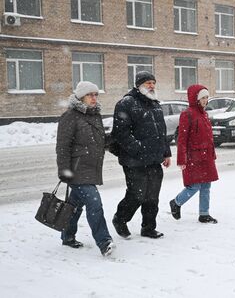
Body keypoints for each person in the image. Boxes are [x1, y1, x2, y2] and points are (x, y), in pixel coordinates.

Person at [56, 81, 114, 256]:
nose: (94, 98)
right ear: (81, 97)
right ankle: (105, 242)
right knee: (94, 203)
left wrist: (115, 138)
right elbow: (63, 146)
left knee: (74, 206)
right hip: (77, 170)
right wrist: (64, 170)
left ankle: (67, 236)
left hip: (91, 169)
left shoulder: (94, 115)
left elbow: (99, 142)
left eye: (96, 94)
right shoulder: (70, 116)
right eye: (90, 95)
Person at [111, 71, 172, 239]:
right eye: (147, 83)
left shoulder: (155, 104)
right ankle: (120, 219)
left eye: (153, 83)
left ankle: (148, 227)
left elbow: (162, 131)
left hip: (154, 159)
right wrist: (138, 148)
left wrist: (166, 153)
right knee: (136, 194)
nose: (151, 86)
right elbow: (121, 133)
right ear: (138, 85)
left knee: (152, 195)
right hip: (134, 160)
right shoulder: (126, 103)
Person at [169, 84, 219, 224]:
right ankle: (176, 202)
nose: (205, 100)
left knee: (206, 185)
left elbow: (208, 137)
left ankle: (204, 214)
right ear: (195, 99)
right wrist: (182, 159)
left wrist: (212, 154)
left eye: (207, 97)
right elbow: (182, 139)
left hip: (206, 155)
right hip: (194, 156)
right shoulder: (187, 114)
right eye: (203, 98)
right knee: (194, 185)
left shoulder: (205, 114)